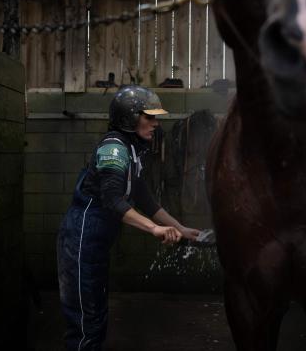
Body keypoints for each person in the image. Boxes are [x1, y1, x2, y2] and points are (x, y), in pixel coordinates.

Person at [57, 85, 201, 351]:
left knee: (96, 319)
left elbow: (144, 197)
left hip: (95, 246)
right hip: (80, 242)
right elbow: (113, 200)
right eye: (150, 117)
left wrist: (179, 227)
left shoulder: (131, 151)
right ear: (130, 117)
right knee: (85, 325)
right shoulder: (114, 149)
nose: (156, 123)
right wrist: (155, 230)